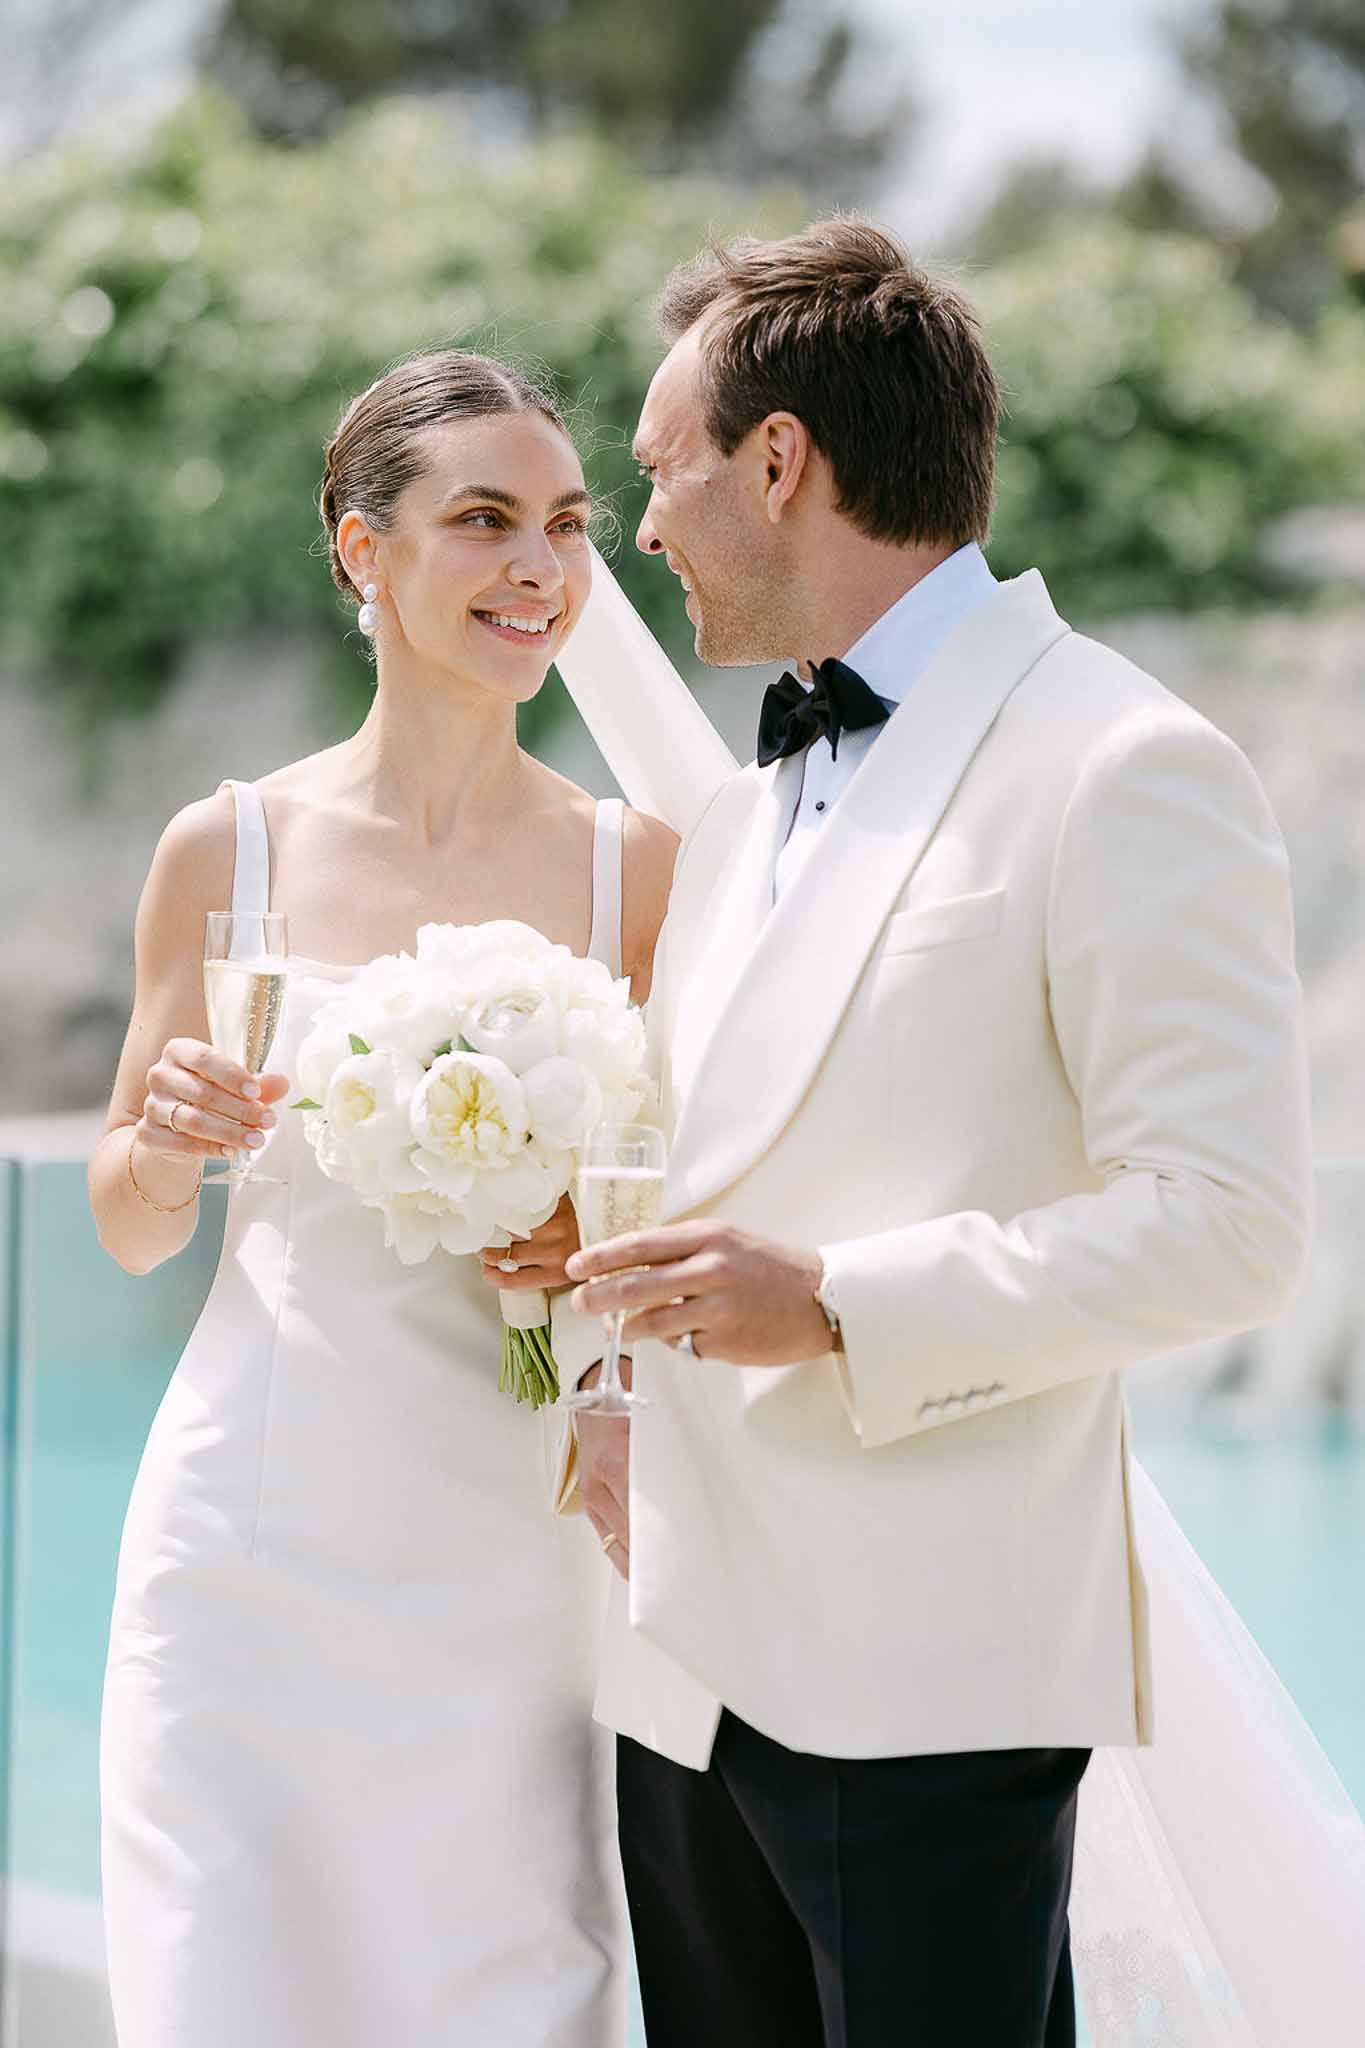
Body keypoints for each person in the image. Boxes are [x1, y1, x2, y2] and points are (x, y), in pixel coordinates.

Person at [557, 218, 1317, 2047]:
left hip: (924, 1695)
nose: (640, 529)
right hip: (674, 1665)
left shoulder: (1128, 765)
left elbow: (1228, 1222)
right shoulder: (750, 804)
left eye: (660, 471)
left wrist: (834, 1304)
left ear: (777, 458)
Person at [92, 349, 675, 2048]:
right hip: (250, 1537)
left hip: (514, 1550)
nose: (538, 569)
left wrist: (580, 1248)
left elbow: (677, 1213)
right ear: (361, 550)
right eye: (481, 520)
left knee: (503, 1979)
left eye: (565, 526)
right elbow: (134, 1225)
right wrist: (175, 1141)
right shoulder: (229, 850)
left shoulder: (629, 867)